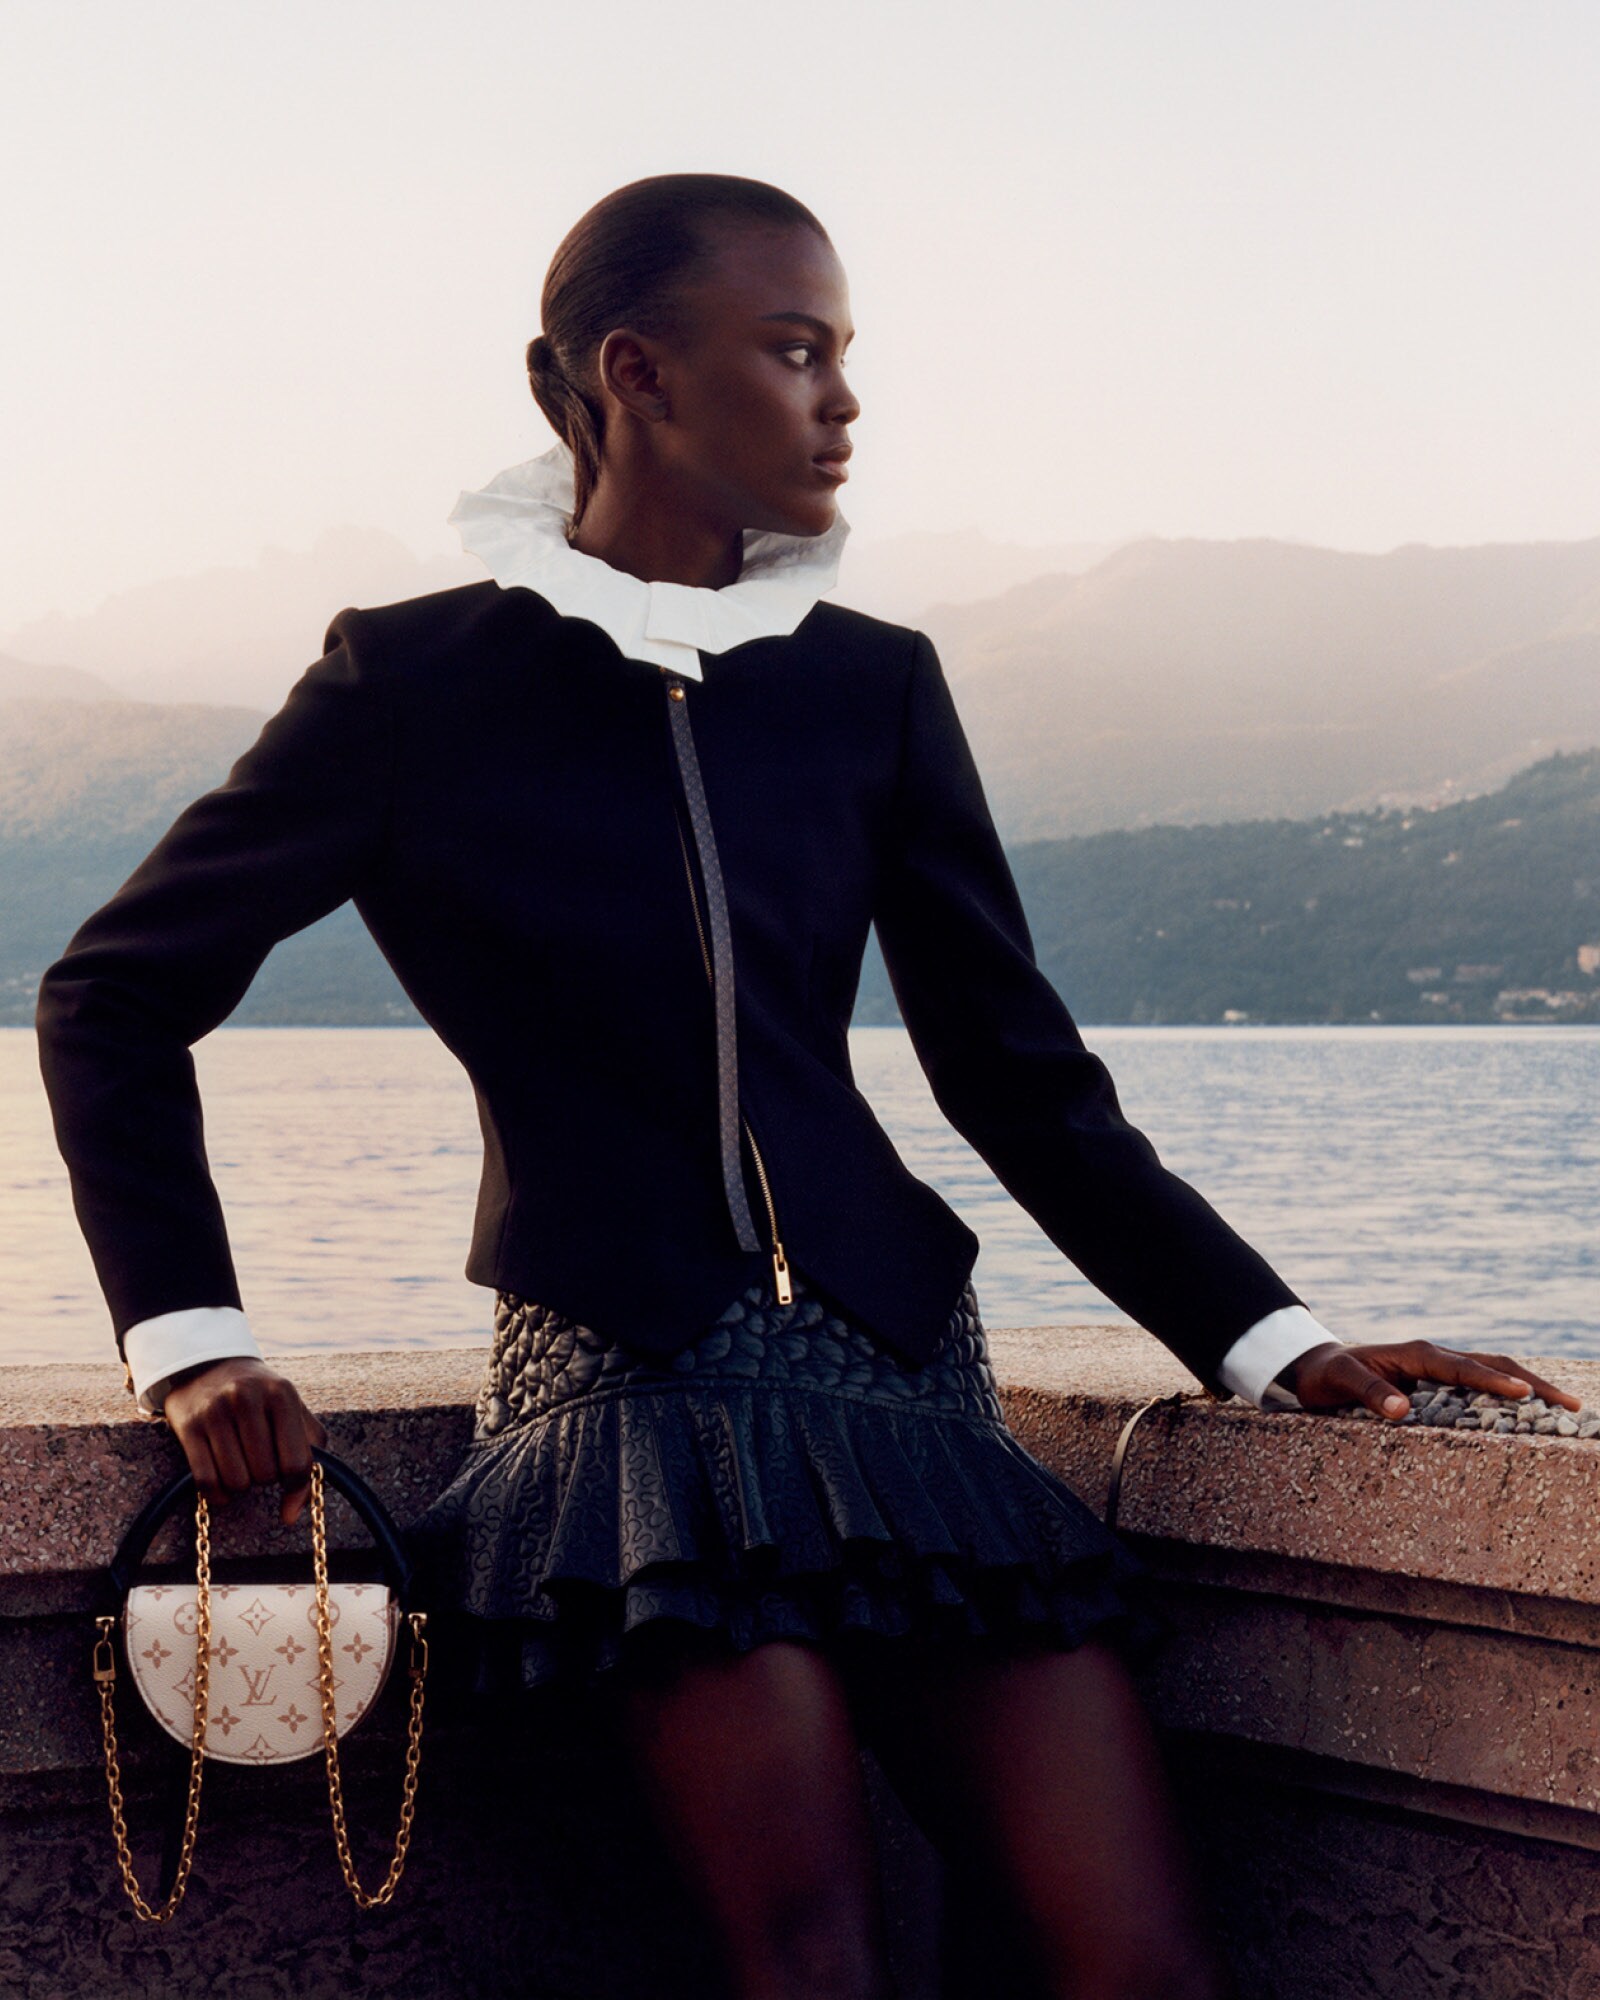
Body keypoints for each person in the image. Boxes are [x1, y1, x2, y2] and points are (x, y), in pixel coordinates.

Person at [36, 173, 1582, 2000]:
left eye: (843, 354)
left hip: (909, 1399)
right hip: (629, 1403)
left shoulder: (873, 685)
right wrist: (193, 1339)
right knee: (811, 1973)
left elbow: (1019, 1075)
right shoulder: (415, 679)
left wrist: (1272, 1341)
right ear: (636, 372)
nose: (844, 401)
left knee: (1140, 1963)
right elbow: (112, 996)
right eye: (795, 351)